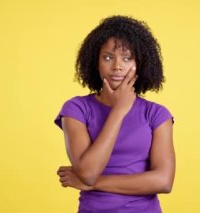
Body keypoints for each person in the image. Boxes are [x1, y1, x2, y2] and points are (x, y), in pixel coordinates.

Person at [55, 15, 175, 213]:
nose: (117, 66)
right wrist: (119, 111)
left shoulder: (157, 114)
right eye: (108, 57)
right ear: (96, 62)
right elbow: (88, 172)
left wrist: (93, 184)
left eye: (127, 58)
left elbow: (163, 181)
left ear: (140, 63)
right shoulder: (76, 109)